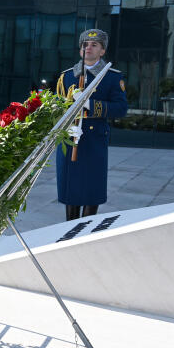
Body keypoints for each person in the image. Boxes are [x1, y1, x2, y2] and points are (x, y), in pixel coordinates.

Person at [55, 29, 128, 221]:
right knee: (70, 187)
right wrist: (66, 126)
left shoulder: (112, 77)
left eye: (94, 45)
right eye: (85, 44)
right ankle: (69, 228)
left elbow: (120, 108)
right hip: (70, 138)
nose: (88, 48)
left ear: (102, 51)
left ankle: (86, 229)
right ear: (80, 50)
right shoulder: (66, 76)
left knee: (91, 187)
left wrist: (90, 105)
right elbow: (57, 107)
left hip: (94, 140)